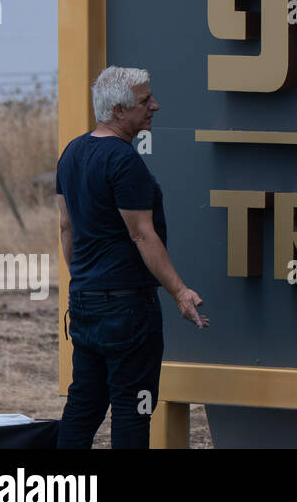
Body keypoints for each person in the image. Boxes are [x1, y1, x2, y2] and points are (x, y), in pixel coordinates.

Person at [55, 66, 209, 449]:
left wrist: (86, 282)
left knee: (83, 406)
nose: (155, 106)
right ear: (119, 111)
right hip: (127, 312)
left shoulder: (72, 153)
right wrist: (180, 292)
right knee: (133, 408)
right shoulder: (124, 161)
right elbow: (142, 234)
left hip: (86, 304)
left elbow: (65, 228)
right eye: (145, 101)